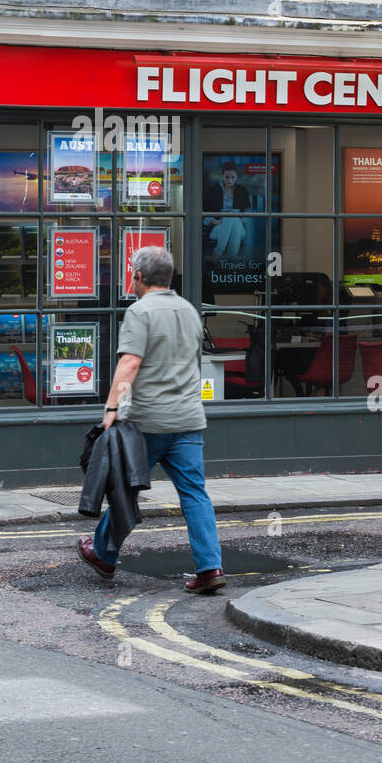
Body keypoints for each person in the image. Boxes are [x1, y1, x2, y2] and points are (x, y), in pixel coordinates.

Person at [77, 246, 226, 593]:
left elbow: (130, 363)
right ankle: (210, 567)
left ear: (139, 277)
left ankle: (104, 555)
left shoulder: (140, 312)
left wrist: (111, 408)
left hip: (146, 422)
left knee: (123, 490)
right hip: (188, 419)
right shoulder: (190, 311)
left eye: (132, 274)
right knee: (194, 494)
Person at [202, 161, 250, 258]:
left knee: (232, 218)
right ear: (222, 176)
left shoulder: (242, 190)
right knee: (232, 217)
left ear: (237, 177)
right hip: (218, 227)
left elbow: (247, 213)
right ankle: (232, 263)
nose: (230, 180)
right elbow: (204, 213)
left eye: (233, 177)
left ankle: (217, 253)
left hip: (239, 227)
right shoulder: (213, 190)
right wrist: (212, 220)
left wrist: (243, 219)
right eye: (227, 177)